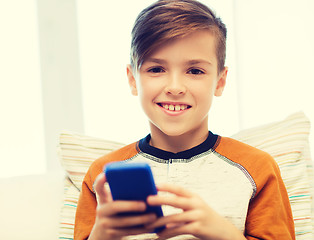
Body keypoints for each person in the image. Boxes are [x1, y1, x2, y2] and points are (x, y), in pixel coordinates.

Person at [74, 0, 295, 239]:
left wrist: (223, 233)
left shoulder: (258, 169)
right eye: (156, 69)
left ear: (220, 82)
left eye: (195, 71)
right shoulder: (103, 176)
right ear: (132, 79)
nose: (175, 87)